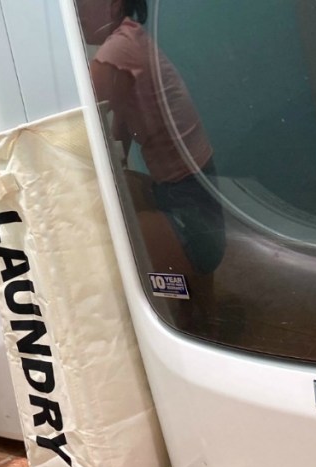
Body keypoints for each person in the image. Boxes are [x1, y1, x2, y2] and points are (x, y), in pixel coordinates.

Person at [78, 0, 226, 327]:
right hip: (193, 188)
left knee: (100, 235)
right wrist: (119, 154)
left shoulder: (117, 50)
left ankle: (190, 317)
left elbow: (76, 122)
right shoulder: (132, 38)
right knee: (126, 192)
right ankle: (205, 316)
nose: (76, 8)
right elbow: (121, 113)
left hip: (188, 201)